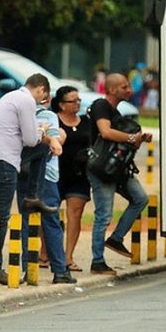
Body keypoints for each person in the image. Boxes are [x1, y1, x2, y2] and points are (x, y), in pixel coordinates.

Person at [0, 73, 61, 284]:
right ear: (41, 89)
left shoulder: (11, 96)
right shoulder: (26, 101)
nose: (41, 101)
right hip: (3, 160)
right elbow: (31, 139)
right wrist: (44, 131)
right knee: (1, 217)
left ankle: (33, 195)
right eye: (43, 97)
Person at [86, 73, 151, 275]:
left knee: (140, 198)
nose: (129, 90)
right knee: (103, 215)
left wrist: (140, 139)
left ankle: (116, 238)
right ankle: (97, 261)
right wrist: (132, 137)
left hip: (118, 168)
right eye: (125, 87)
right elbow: (105, 132)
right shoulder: (100, 106)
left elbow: (124, 141)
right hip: (101, 168)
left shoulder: (117, 113)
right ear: (112, 89)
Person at [16, 98, 75, 284]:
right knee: (51, 222)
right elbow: (55, 142)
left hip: (22, 173)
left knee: (26, 223)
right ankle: (60, 270)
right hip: (46, 176)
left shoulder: (19, 115)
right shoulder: (49, 115)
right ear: (47, 98)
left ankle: (28, 270)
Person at [52, 86, 91, 273]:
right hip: (56, 173)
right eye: (72, 101)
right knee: (50, 213)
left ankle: (68, 257)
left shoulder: (86, 122)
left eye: (78, 101)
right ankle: (46, 253)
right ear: (61, 105)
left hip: (80, 175)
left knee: (74, 215)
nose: (76, 104)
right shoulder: (53, 120)